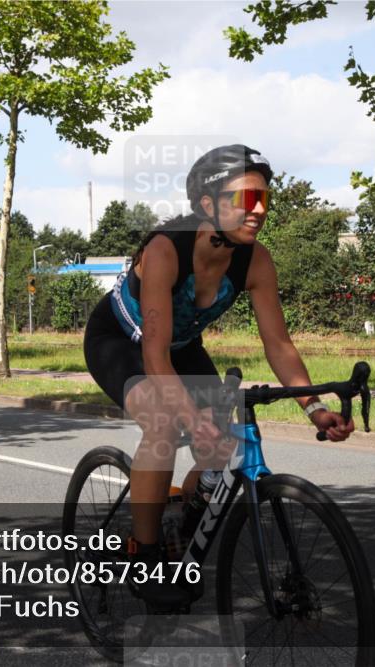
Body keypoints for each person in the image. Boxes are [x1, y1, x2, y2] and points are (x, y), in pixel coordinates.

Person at [84, 144, 355, 607]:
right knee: (165, 422)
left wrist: (314, 408)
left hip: (181, 348)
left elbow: (279, 345)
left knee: (226, 438)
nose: (260, 210)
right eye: (247, 200)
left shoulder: (256, 261)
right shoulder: (166, 250)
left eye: (265, 199)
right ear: (208, 205)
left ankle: (187, 518)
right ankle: (144, 552)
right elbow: (155, 359)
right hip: (120, 343)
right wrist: (190, 415)